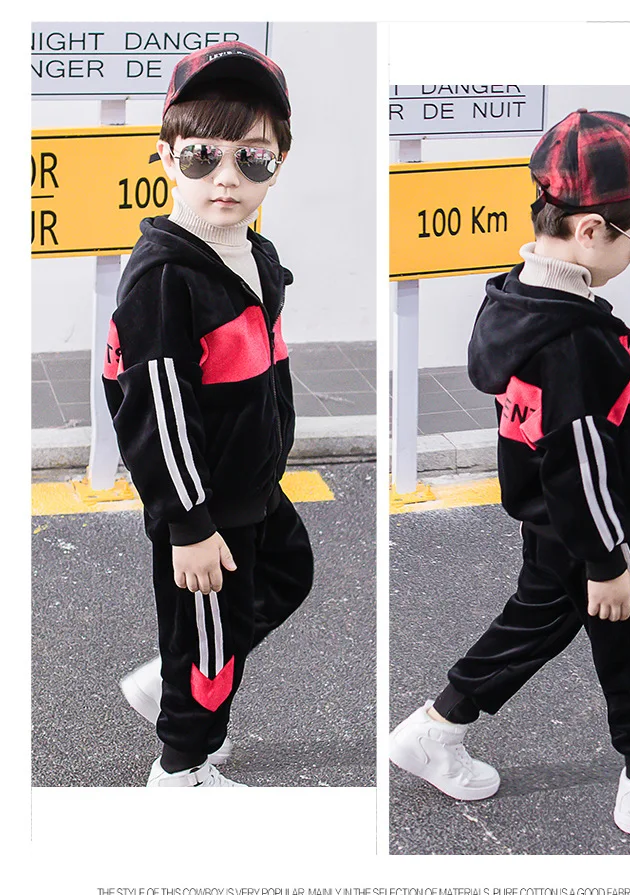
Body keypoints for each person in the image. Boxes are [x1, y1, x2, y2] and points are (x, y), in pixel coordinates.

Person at [389, 109, 630, 835]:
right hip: (599, 529)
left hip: (550, 520)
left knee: (538, 620)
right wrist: (608, 561)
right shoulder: (574, 343)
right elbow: (581, 461)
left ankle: (437, 727)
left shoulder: (515, 299)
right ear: (590, 230)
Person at [103, 41, 314, 787]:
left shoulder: (250, 255)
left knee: (288, 571)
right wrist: (188, 525)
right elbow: (153, 415)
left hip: (248, 484)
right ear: (166, 156)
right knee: (210, 645)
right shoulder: (164, 280)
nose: (227, 177)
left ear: (277, 166)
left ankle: (173, 680)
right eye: (202, 155)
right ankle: (182, 769)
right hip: (203, 502)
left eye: (251, 158)